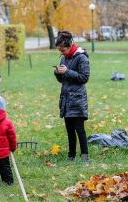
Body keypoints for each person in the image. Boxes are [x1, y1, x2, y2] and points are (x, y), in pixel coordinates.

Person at [54, 30, 90, 161]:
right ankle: (71, 155)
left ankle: (85, 156)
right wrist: (58, 73)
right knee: (69, 130)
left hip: (78, 99)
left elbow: (84, 78)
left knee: (79, 129)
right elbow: (63, 80)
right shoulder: (64, 58)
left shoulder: (82, 58)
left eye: (63, 50)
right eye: (60, 51)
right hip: (66, 99)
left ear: (70, 46)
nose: (61, 53)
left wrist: (67, 71)